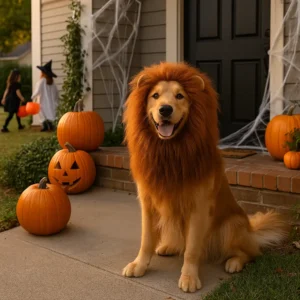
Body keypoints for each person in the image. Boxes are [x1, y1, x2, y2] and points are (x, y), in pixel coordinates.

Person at [31, 60, 59, 132]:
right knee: (49, 112)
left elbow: (37, 90)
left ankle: (45, 126)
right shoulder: (52, 83)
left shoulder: (42, 81)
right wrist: (55, 100)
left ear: (43, 73)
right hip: (51, 102)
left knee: (42, 113)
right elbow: (56, 93)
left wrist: (32, 97)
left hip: (42, 101)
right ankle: (50, 125)